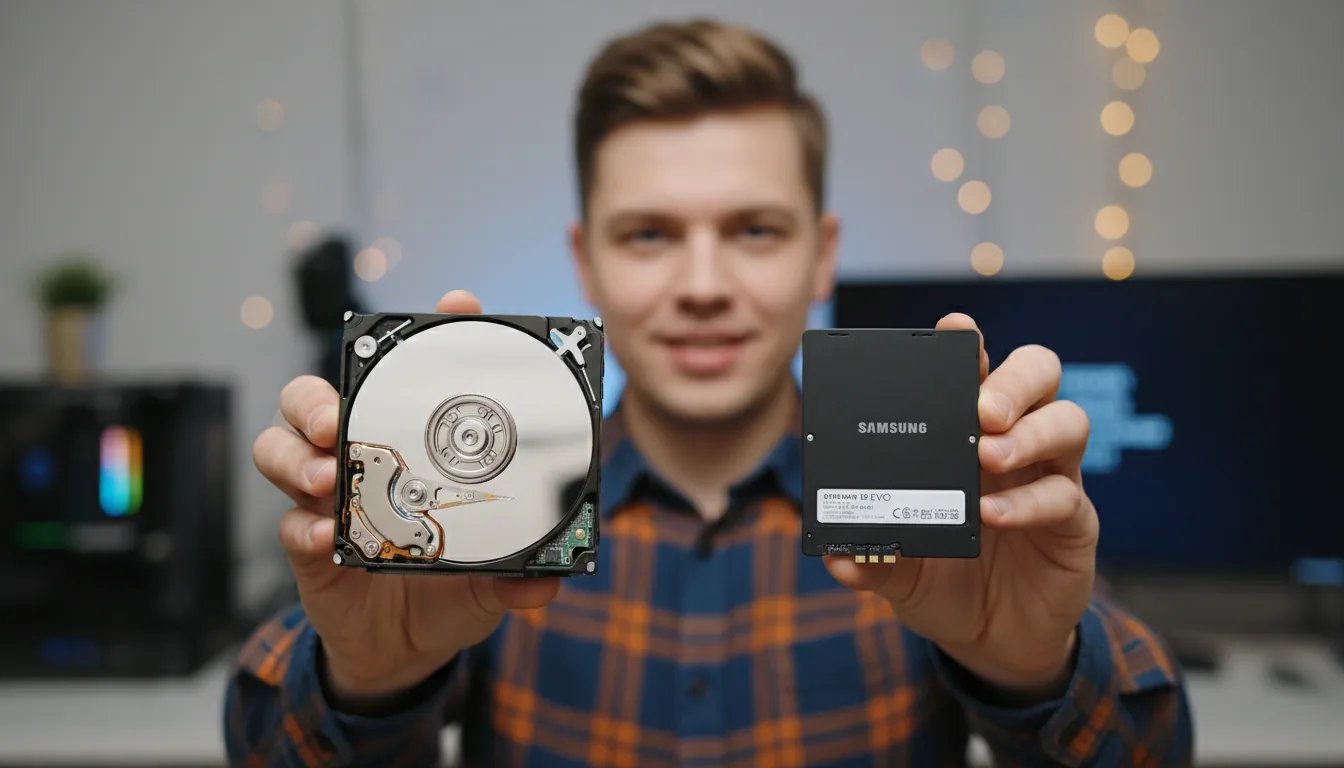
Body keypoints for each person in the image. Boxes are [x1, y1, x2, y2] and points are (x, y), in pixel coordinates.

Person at [227, 17, 1193, 767]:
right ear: (588, 263)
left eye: (756, 231)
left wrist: (1030, 666)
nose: (701, 284)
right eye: (648, 233)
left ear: (824, 255)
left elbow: (1154, 744)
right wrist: (363, 678)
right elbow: (264, 735)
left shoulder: (940, 493)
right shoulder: (474, 508)